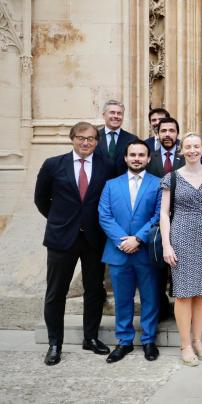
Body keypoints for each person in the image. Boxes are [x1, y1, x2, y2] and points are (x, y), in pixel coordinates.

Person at [34, 122, 114, 366]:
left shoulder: (106, 166)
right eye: (81, 138)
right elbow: (41, 199)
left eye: (91, 139)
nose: (86, 142)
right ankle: (54, 344)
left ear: (97, 142)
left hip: (94, 238)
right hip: (61, 238)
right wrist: (61, 221)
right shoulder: (53, 164)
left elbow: (109, 200)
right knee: (56, 292)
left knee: (94, 290)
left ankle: (91, 338)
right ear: (72, 138)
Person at [160, 133, 202, 367]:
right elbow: (164, 213)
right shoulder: (172, 178)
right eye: (188, 147)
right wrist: (166, 244)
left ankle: (197, 340)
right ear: (181, 150)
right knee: (184, 293)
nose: (192, 150)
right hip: (181, 237)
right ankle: (185, 344)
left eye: (196, 146)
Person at [98, 140, 162, 363]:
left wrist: (138, 238)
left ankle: (149, 340)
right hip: (119, 252)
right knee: (122, 299)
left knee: (150, 297)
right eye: (132, 155)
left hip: (145, 251)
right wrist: (122, 240)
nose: (136, 158)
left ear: (148, 158)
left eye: (141, 155)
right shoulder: (111, 185)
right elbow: (104, 215)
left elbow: (158, 215)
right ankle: (124, 341)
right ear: (125, 158)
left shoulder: (158, 184)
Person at [146, 116, 184, 321]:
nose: (167, 134)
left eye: (172, 131)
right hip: (156, 218)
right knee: (158, 265)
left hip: (183, 217)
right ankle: (161, 308)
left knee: (180, 264)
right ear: (157, 133)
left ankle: (181, 309)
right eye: (163, 131)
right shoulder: (149, 157)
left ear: (177, 133)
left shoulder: (186, 155)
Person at [95, 99, 139, 176]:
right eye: (112, 113)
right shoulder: (94, 137)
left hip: (123, 182)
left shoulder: (132, 139)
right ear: (104, 115)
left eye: (119, 113)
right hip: (98, 182)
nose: (116, 116)